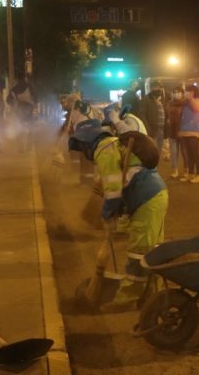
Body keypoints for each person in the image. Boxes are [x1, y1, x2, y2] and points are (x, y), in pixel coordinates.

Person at [68, 119, 168, 312]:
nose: (83, 154)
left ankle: (126, 299)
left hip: (146, 200)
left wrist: (107, 213)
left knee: (138, 253)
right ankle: (152, 295)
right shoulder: (113, 144)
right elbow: (121, 184)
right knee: (152, 251)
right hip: (153, 197)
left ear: (86, 142)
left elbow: (113, 190)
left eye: (81, 147)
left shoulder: (102, 150)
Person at [178, 85, 199, 183]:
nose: (187, 93)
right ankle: (190, 174)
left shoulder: (197, 101)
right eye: (187, 91)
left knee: (195, 153)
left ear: (194, 92)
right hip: (184, 131)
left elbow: (197, 109)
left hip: (194, 131)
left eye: (190, 91)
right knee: (189, 155)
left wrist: (191, 98)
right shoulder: (185, 102)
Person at [6, 79, 36, 152]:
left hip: (18, 110)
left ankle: (21, 147)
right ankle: (28, 146)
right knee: (31, 128)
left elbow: (8, 100)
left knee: (19, 128)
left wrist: (14, 105)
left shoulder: (14, 88)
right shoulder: (30, 86)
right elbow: (36, 98)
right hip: (29, 110)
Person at [165, 85, 187, 179]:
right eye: (174, 92)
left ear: (182, 94)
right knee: (173, 153)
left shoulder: (186, 103)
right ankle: (175, 170)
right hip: (172, 132)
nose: (176, 94)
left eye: (178, 92)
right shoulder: (169, 103)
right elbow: (166, 115)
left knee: (185, 153)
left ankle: (186, 170)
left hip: (183, 132)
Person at [142, 81, 165, 153]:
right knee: (152, 152)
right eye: (156, 87)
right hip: (152, 130)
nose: (159, 89)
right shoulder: (146, 99)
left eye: (160, 87)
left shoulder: (161, 99)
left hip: (161, 130)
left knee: (158, 152)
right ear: (152, 88)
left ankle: (156, 164)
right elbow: (142, 115)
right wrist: (148, 129)